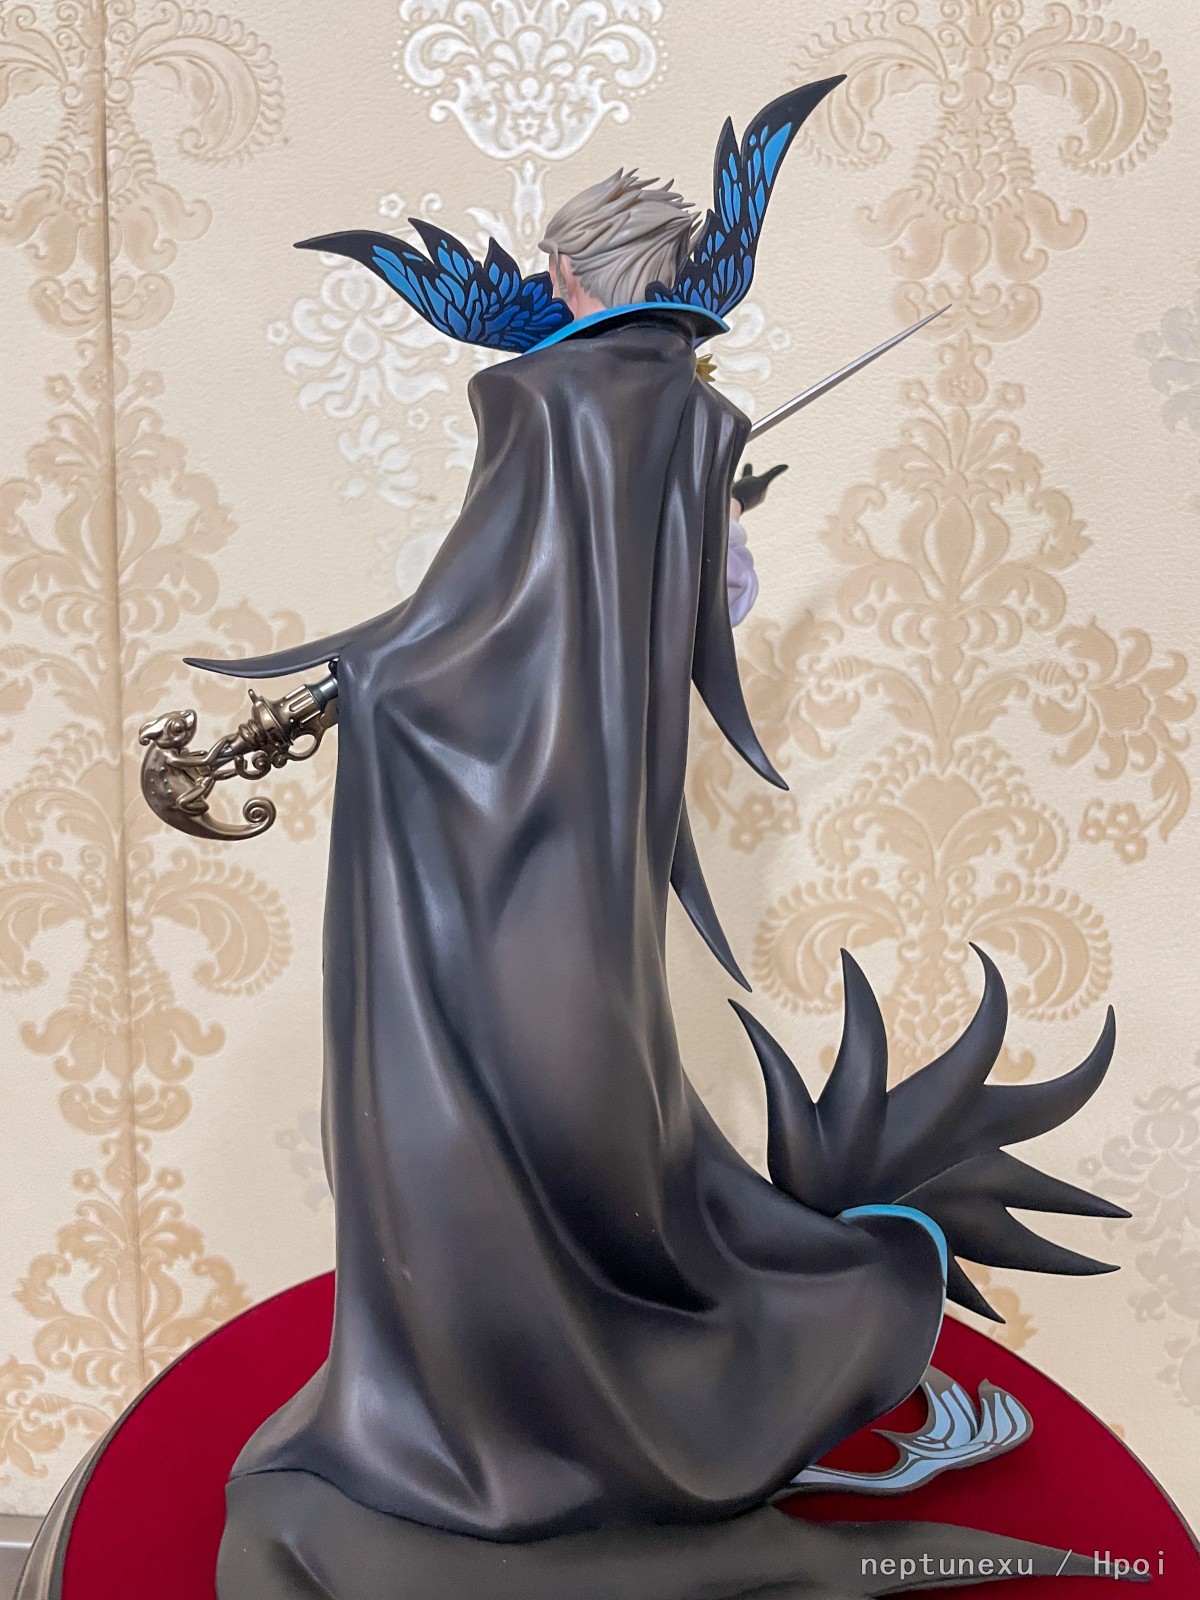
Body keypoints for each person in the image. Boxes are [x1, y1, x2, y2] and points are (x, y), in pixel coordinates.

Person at [189, 112, 1124, 1600]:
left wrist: (362, 679)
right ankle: (613, 1382)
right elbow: (647, 609)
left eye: (555, 263)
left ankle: (531, 1420)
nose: (545, 279)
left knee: (472, 1100)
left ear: (578, 270)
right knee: (573, 1095)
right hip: (588, 829)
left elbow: (469, 622)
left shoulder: (554, 401)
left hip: (497, 831)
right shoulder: (690, 416)